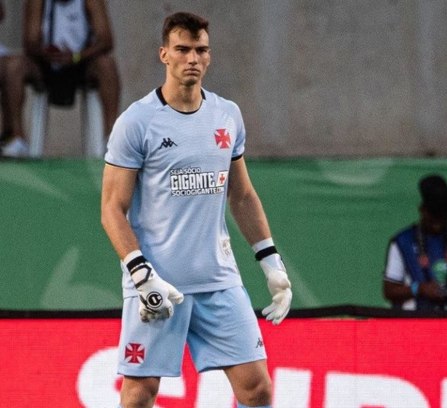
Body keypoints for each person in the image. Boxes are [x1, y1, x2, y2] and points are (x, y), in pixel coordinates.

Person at [100, 12, 292, 408]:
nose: (192, 58)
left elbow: (241, 196)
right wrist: (140, 274)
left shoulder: (227, 115)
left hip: (218, 280)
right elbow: (111, 209)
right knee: (139, 394)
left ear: (209, 56)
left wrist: (271, 263)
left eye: (200, 50)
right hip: (156, 283)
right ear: (164, 54)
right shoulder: (136, 123)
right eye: (183, 49)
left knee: (258, 389)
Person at [0, 0, 120, 157]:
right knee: (13, 66)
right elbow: (30, 42)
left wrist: (76, 56)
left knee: (107, 65)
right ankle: (17, 139)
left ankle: (111, 138)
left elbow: (106, 41)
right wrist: (49, 54)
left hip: (81, 63)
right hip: (45, 65)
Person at [383, 174, 447, 311]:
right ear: (422, 210)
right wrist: (420, 289)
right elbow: (389, 290)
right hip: (416, 322)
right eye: (433, 220)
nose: (437, 226)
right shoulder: (403, 241)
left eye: (442, 220)